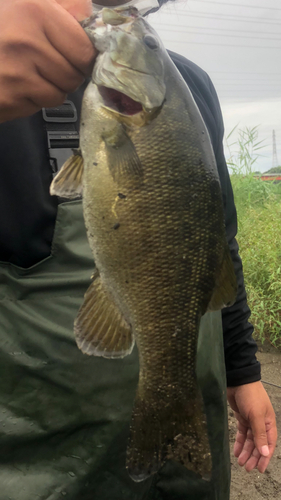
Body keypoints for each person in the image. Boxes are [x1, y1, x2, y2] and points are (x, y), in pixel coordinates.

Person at [0, 0, 277, 499]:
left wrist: (243, 370)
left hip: (197, 397)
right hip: (50, 445)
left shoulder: (189, 84)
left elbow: (217, 238)